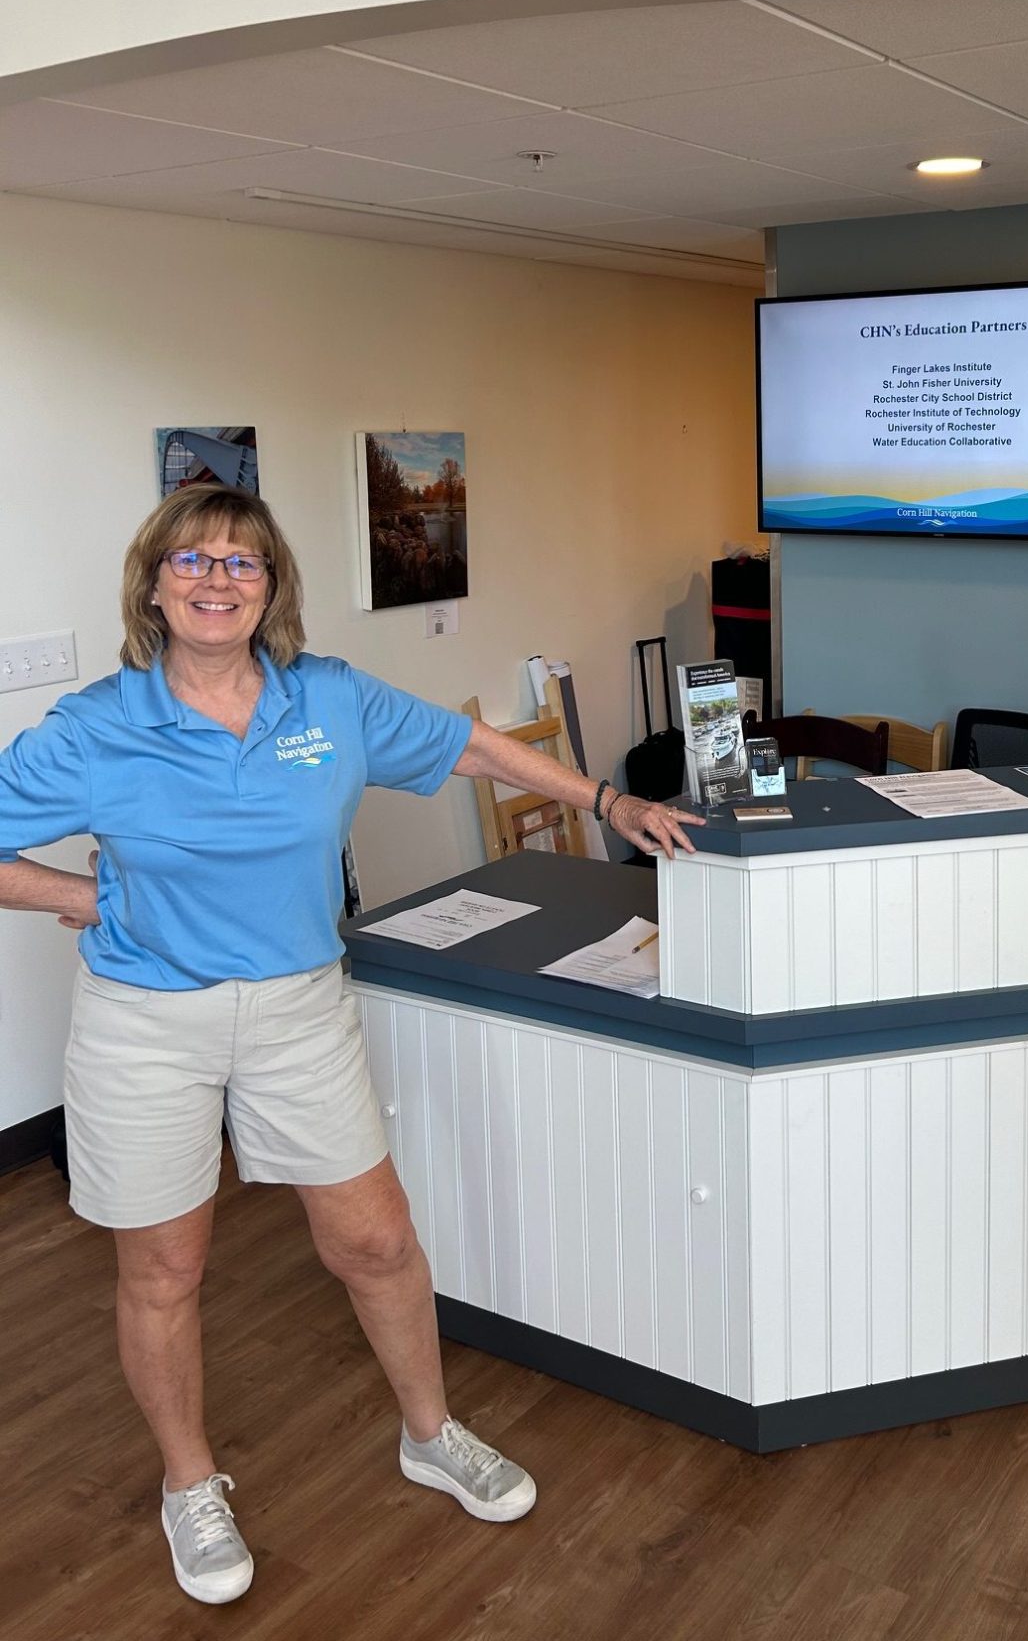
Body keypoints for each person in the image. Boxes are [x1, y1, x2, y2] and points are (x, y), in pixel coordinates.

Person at [0, 486, 701, 1606]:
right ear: (153, 582)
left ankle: (429, 1431)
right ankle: (190, 1482)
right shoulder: (96, 725)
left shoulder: (325, 698)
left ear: (272, 585)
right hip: (145, 1023)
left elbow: (469, 745)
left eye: (243, 561)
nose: (218, 579)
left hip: (298, 1009)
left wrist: (605, 796)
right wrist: (71, 893)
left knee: (376, 1241)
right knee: (165, 1268)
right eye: (193, 559)